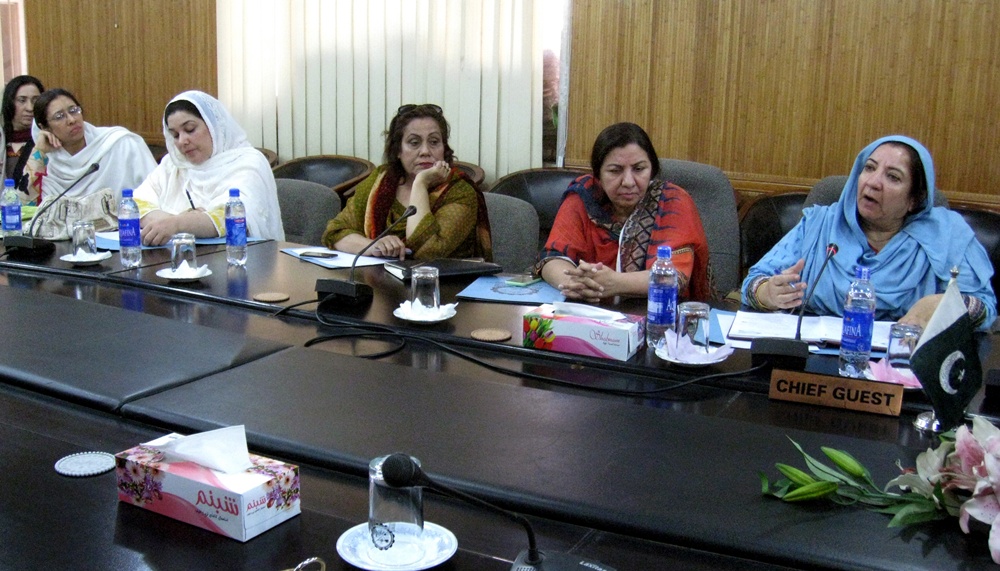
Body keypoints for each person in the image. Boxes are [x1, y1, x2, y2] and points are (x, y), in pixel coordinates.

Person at [741, 135, 996, 331]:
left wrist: (946, 305)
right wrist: (768, 293)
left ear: (914, 199)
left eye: (893, 177)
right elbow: (753, 283)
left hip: (905, 365)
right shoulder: (821, 224)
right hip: (812, 362)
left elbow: (984, 309)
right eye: (869, 168)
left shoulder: (947, 235)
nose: (873, 182)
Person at [536, 122, 711, 303]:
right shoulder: (584, 195)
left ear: (652, 170)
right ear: (598, 175)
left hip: (659, 312)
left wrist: (615, 283)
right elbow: (551, 258)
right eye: (615, 171)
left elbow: (674, 276)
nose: (628, 182)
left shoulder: (672, 201)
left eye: (639, 169)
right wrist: (573, 284)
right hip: (588, 312)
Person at [322, 103, 491, 260]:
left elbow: (426, 252)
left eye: (434, 142)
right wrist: (374, 246)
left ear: (444, 148)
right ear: (397, 150)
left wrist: (421, 183)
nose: (425, 151)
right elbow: (334, 233)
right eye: (414, 143)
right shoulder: (381, 180)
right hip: (378, 278)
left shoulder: (460, 191)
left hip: (441, 281)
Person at [134, 90, 284, 245]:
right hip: (178, 256)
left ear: (214, 125)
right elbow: (133, 205)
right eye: (175, 135)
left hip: (238, 255)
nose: (182, 141)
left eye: (190, 129)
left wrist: (178, 224)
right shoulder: (174, 164)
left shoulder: (249, 162)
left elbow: (232, 218)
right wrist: (179, 221)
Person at [27, 88, 156, 208]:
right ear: (44, 127)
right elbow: (25, 205)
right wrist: (39, 151)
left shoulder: (122, 144)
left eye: (74, 110)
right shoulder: (48, 165)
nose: (71, 120)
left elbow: (157, 192)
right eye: (59, 116)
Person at [2, 75, 44, 197]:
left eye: (35, 100)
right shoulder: (2, 138)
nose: (30, 108)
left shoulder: (46, 141)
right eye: (22, 100)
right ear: (9, 102)